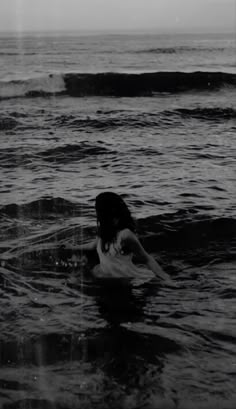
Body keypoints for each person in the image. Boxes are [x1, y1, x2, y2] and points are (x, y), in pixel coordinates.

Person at [63, 192, 173, 285]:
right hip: (106, 275)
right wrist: (72, 247)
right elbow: (93, 245)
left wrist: (165, 278)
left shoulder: (125, 235)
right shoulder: (105, 232)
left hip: (124, 278)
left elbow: (146, 258)